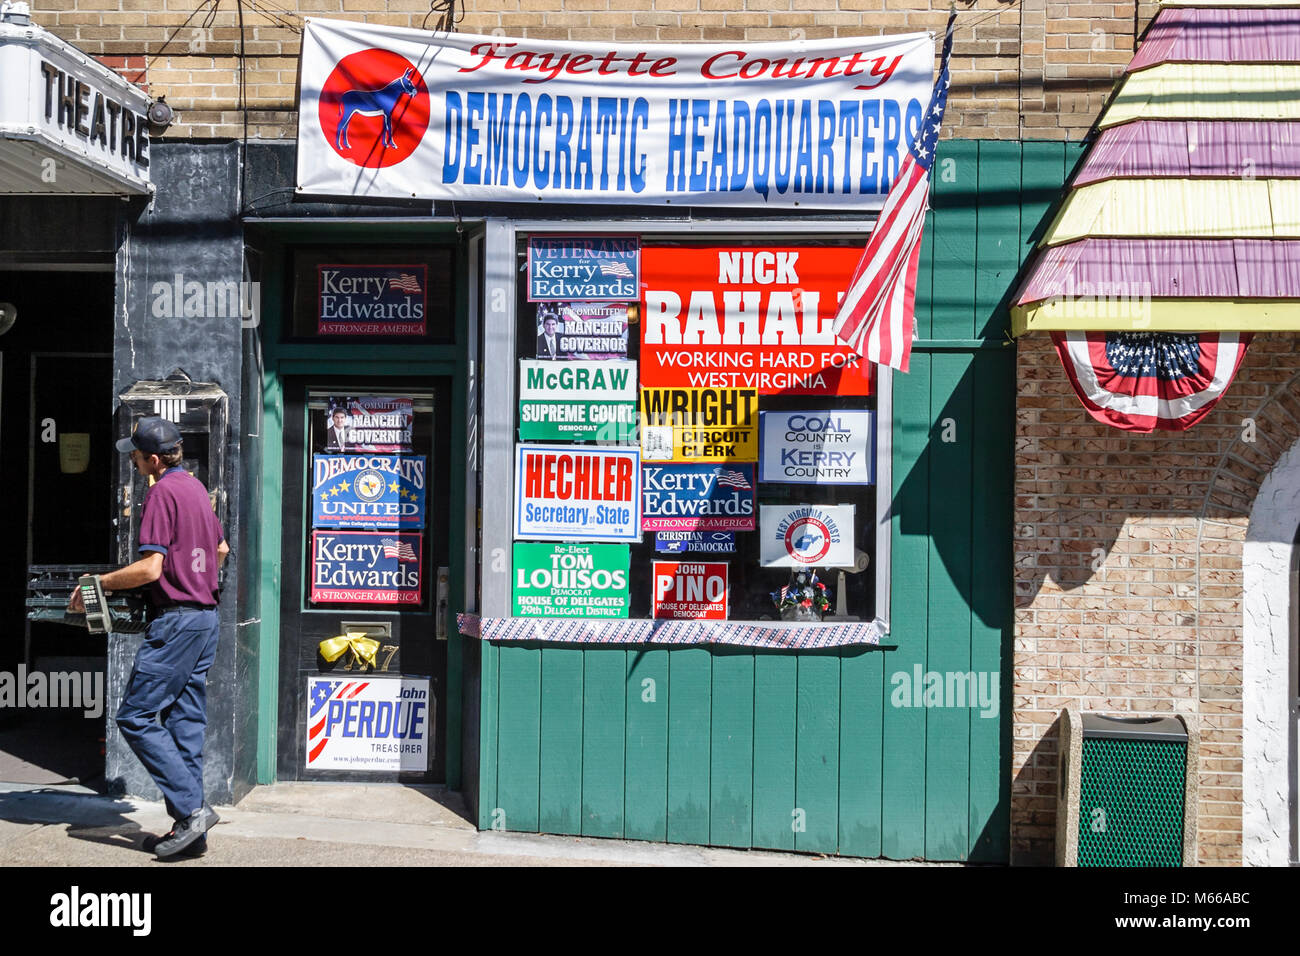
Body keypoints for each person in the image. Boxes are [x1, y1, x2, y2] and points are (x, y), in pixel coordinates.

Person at [70, 416, 228, 859]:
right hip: (205, 619)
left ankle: (193, 810)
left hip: (177, 622)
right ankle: (190, 831)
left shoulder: (161, 492)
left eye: (137, 457)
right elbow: (220, 549)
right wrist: (197, 580)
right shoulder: (196, 488)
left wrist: (97, 584)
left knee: (136, 717)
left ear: (154, 459)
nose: (135, 463)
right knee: (184, 724)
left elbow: (150, 569)